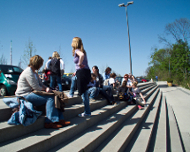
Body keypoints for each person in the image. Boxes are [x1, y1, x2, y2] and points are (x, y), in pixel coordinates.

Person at [15, 55, 70, 129]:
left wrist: (47, 88)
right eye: (40, 64)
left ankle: (60, 119)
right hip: (24, 95)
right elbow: (36, 87)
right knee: (50, 98)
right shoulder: (28, 72)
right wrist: (46, 90)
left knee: (56, 96)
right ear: (37, 63)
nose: (41, 66)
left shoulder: (34, 72)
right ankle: (49, 122)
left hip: (31, 93)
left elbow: (41, 84)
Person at [71, 37, 91, 117]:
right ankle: (71, 93)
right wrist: (77, 70)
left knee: (84, 93)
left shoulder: (77, 51)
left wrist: (79, 64)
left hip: (82, 73)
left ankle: (87, 112)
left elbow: (81, 56)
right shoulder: (83, 51)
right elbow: (85, 62)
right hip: (85, 72)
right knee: (73, 78)